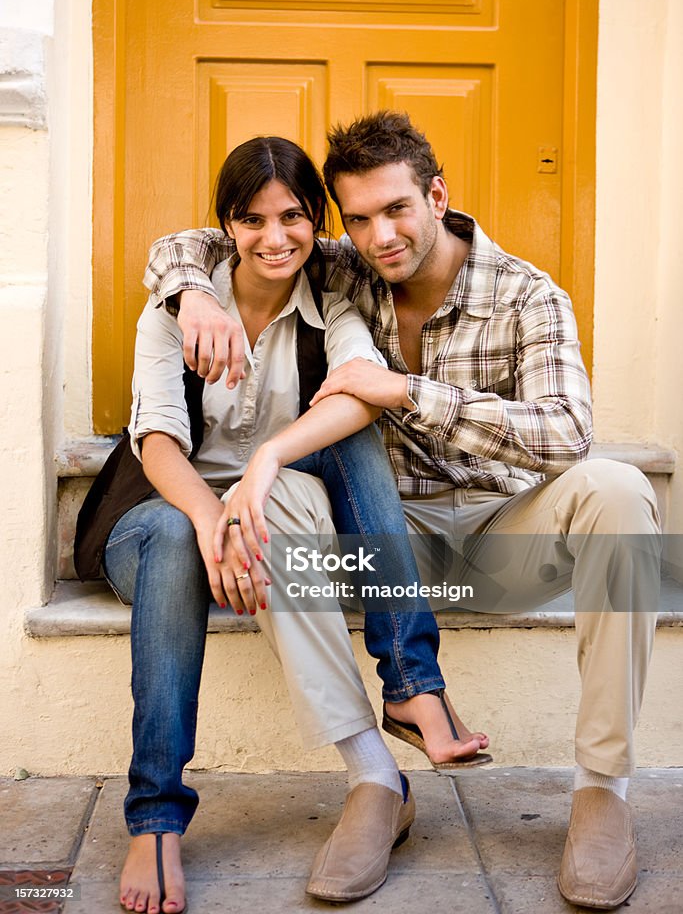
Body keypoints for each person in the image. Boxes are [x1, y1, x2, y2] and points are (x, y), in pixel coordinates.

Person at [144, 112, 663, 911]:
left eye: (395, 210)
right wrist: (189, 295)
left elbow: (567, 435)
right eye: (356, 219)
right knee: (270, 495)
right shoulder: (345, 272)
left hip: (502, 540)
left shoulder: (527, 294)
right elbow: (215, 238)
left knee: (620, 490)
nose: (378, 235)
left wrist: (407, 393)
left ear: (436, 195)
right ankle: (372, 783)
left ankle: (601, 791)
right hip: (387, 552)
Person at [77, 134, 493, 914]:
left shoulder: (333, 304)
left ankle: (409, 680)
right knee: (172, 537)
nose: (275, 238)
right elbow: (158, 442)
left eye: (293, 217)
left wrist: (262, 467)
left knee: (353, 424)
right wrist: (209, 518)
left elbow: (355, 392)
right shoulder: (175, 313)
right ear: (226, 225)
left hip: (274, 506)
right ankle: (156, 817)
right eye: (252, 219)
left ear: (316, 221)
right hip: (160, 522)